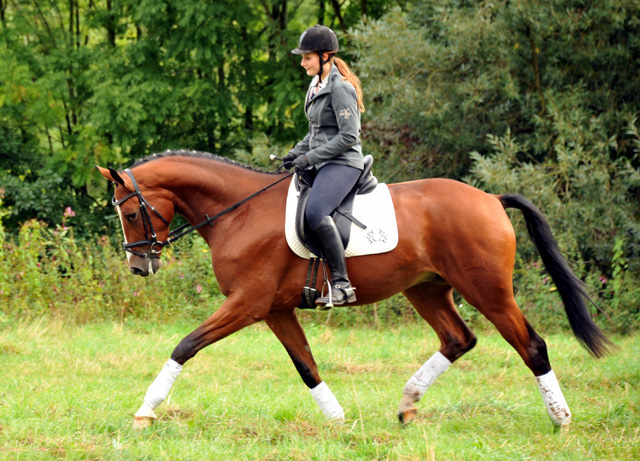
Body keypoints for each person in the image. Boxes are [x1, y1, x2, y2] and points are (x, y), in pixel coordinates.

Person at [282, 24, 366, 308]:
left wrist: (310, 158)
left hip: (344, 162)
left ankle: (342, 285)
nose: (303, 62)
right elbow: (316, 131)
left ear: (325, 56)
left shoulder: (340, 88)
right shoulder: (315, 84)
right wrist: (295, 153)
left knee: (316, 211)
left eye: (307, 57)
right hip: (323, 161)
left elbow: (348, 136)